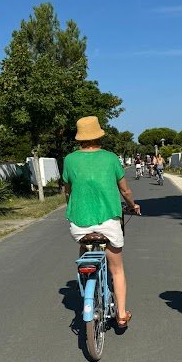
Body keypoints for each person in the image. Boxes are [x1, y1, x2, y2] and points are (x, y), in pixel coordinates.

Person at [63, 116, 141, 328]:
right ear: (99, 135)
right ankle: (122, 314)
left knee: (84, 246)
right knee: (117, 269)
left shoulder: (69, 160)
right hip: (108, 223)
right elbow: (125, 190)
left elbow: (68, 191)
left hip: (79, 224)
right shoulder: (110, 158)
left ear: (80, 138)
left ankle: (85, 275)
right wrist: (133, 205)